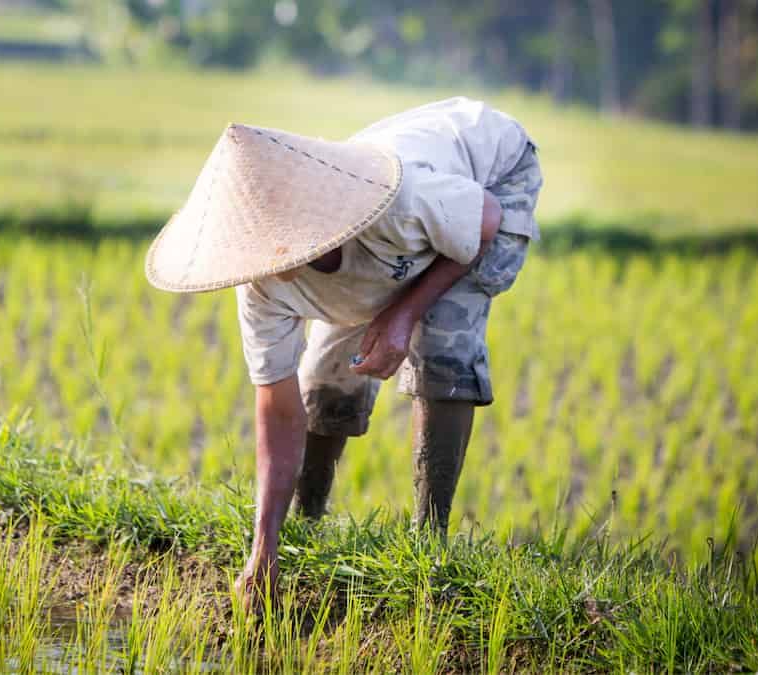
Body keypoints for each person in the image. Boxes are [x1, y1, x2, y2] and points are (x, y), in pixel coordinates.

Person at [145, 97, 543, 604]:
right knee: (324, 378)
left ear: (307, 220)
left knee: (444, 347)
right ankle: (307, 524)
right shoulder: (261, 287)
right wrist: (263, 546)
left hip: (491, 180)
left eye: (272, 241)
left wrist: (403, 315)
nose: (264, 260)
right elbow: (280, 407)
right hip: (402, 240)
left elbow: (484, 220)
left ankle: (430, 542)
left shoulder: (395, 202)